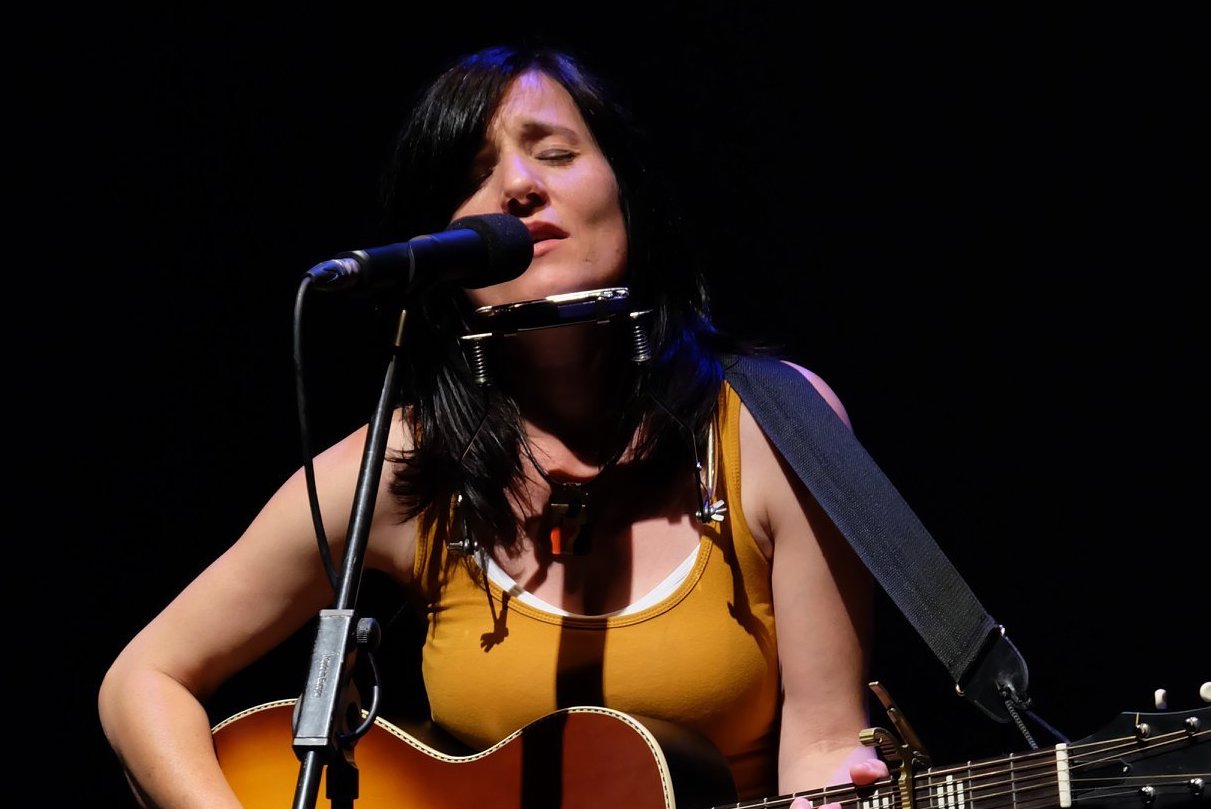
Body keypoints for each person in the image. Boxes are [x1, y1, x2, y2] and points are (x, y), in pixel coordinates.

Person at [98, 43, 890, 808]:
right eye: (473, 174)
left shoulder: (775, 426)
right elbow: (144, 678)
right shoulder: (403, 465)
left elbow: (822, 744)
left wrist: (842, 780)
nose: (516, 186)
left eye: (553, 153)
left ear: (626, 189)